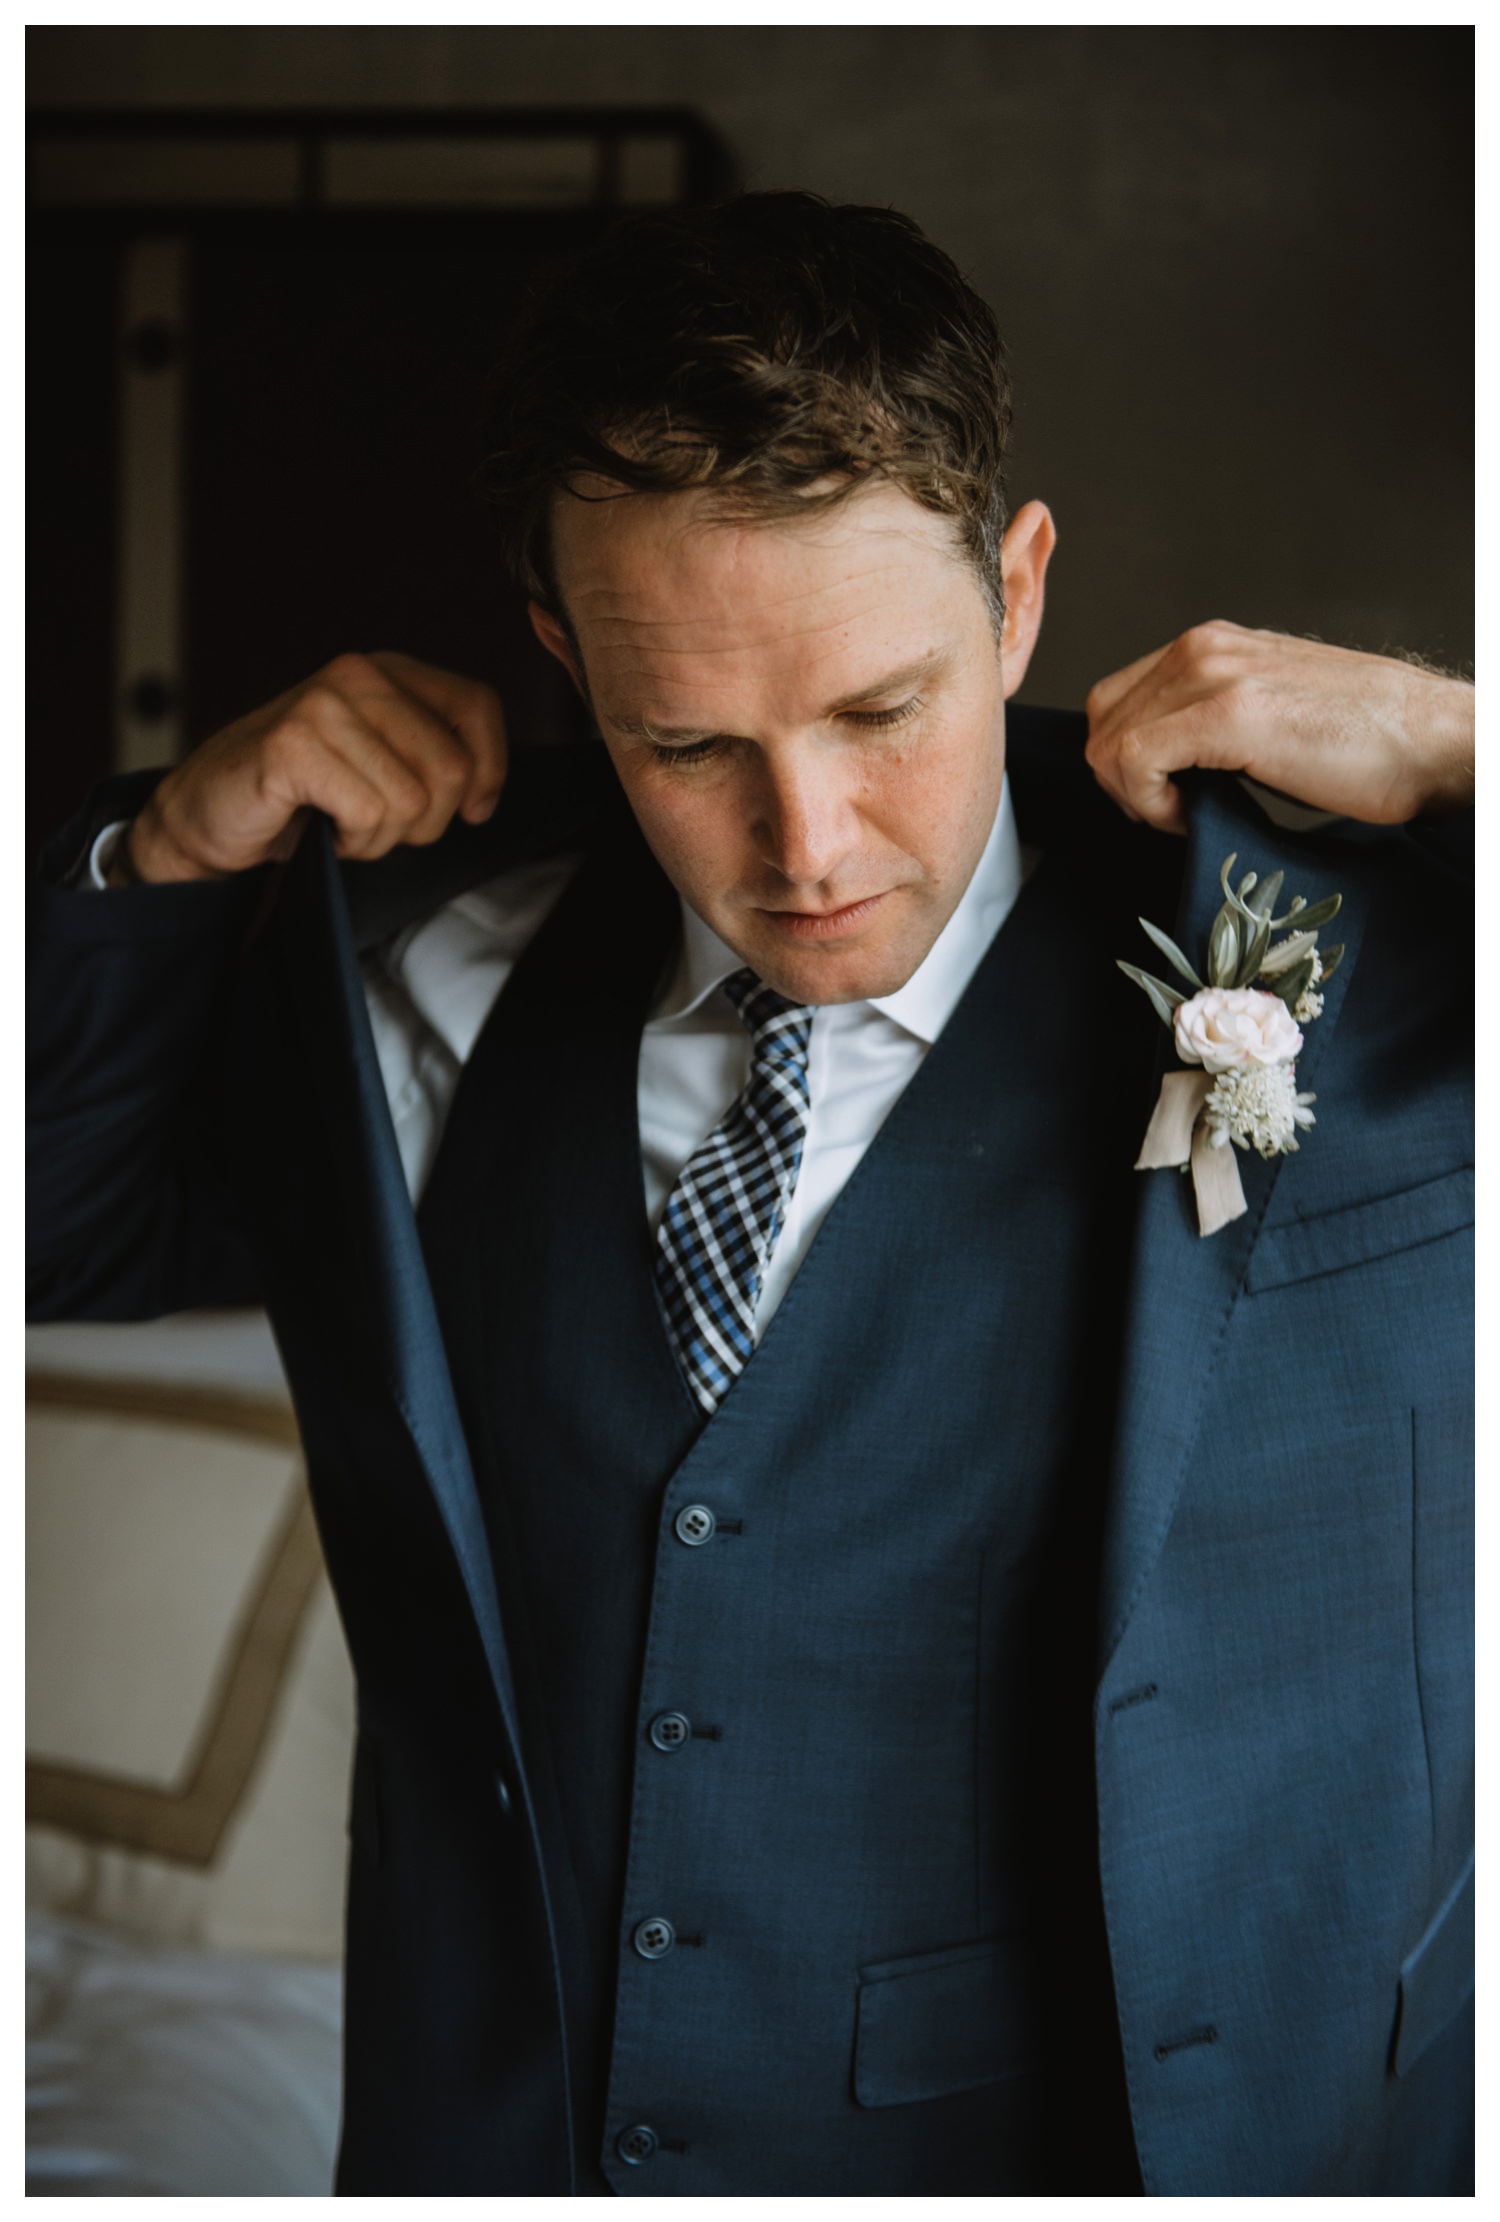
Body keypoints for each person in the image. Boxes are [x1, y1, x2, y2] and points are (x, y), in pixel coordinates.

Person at [27, 193, 1472, 2196]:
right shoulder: (442, 959)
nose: (805, 844)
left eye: (884, 711)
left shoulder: (1379, 945)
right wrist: (166, 856)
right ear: (561, 650)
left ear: (1021, 591)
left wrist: (1477, 748)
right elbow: (62, 1232)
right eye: (685, 740)